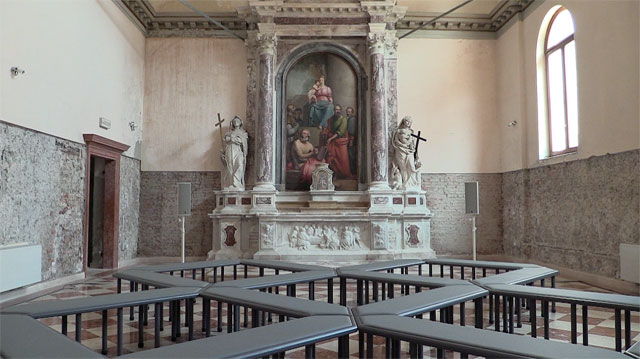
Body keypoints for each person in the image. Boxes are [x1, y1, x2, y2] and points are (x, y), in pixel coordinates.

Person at [391, 116, 422, 189]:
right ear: (404, 121)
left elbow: (412, 142)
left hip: (409, 151)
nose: (409, 123)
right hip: (401, 150)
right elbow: (395, 141)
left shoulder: (411, 132)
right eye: (407, 121)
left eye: (410, 122)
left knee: (411, 166)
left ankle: (413, 183)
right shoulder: (398, 131)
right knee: (403, 167)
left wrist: (413, 148)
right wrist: (402, 145)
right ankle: (405, 183)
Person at [221, 116, 248, 190]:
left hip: (238, 150)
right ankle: (231, 183)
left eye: (237, 121)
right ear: (232, 123)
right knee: (230, 165)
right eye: (234, 121)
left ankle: (237, 182)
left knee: (239, 164)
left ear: (240, 122)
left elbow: (243, 141)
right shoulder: (228, 133)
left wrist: (232, 139)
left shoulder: (243, 133)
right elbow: (225, 141)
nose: (236, 122)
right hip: (229, 149)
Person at [326, 105, 353, 178]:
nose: (337, 111)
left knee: (343, 159)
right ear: (333, 111)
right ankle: (336, 174)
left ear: (340, 111)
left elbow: (340, 131)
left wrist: (331, 138)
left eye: (339, 110)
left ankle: (344, 174)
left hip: (341, 142)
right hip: (333, 142)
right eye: (336, 109)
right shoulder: (330, 120)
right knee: (334, 159)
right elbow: (328, 129)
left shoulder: (343, 119)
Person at [345, 107, 357, 176]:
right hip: (348, 139)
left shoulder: (352, 119)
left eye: (349, 111)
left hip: (351, 140)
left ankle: (353, 171)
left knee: (351, 155)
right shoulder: (348, 119)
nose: (348, 113)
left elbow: (351, 132)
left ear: (352, 112)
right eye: (347, 111)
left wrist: (351, 141)